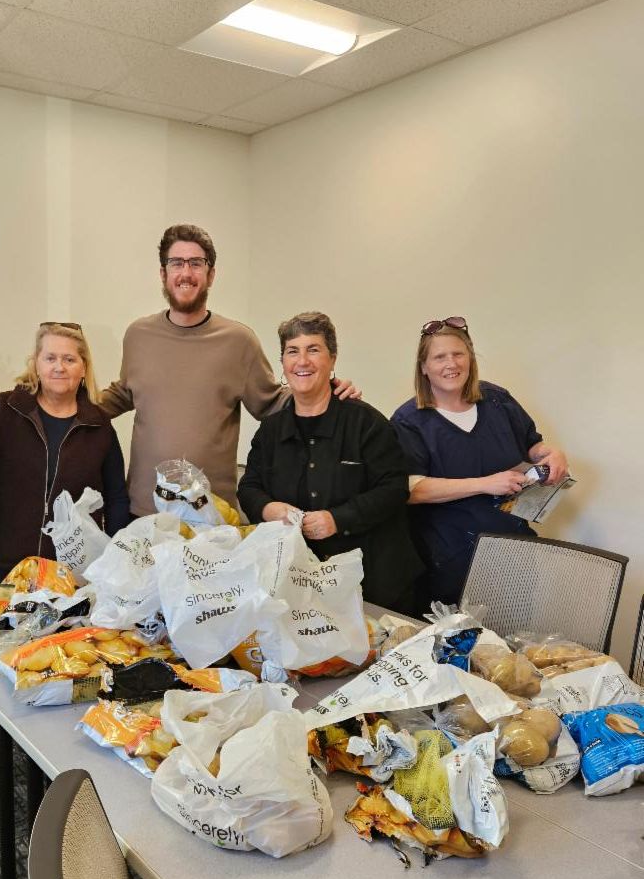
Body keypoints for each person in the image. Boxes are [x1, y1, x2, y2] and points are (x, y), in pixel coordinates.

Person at [0, 322, 131, 790]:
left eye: (69, 358)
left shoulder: (98, 427)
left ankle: (49, 761)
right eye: (51, 357)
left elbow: (117, 498)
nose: (59, 367)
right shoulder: (7, 410)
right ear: (36, 364)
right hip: (1, 561)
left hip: (66, 576)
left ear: (83, 367)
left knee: (56, 664)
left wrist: (116, 562)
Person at [98, 224, 360, 517]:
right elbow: (125, 392)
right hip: (144, 510)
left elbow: (272, 402)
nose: (186, 272)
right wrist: (68, 400)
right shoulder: (139, 334)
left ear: (211, 274)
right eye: (176, 263)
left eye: (196, 263)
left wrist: (326, 390)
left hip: (211, 515)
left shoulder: (238, 341)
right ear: (163, 273)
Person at [238, 312, 421, 612]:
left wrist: (338, 519)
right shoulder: (271, 430)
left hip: (372, 588)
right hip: (299, 587)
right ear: (283, 362)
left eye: (313, 349)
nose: (302, 361)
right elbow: (249, 486)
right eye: (292, 351)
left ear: (332, 359)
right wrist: (268, 509)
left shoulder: (366, 423)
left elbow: (394, 489)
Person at [391, 316, 569, 608]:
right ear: (423, 367)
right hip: (448, 560)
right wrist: (485, 484)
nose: (451, 364)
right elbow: (410, 490)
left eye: (458, 354)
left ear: (471, 358)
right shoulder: (409, 421)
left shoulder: (497, 400)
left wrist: (551, 453)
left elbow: (531, 445)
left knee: (514, 631)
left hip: (513, 551)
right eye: (439, 357)